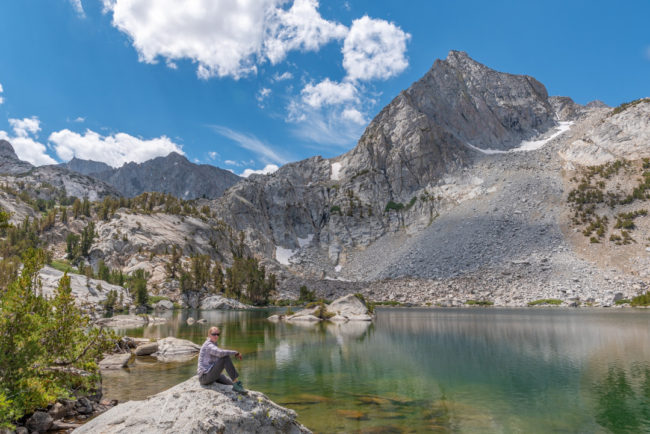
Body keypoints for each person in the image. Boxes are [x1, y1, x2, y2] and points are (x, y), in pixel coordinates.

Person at [197, 326, 245, 393]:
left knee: (231, 383)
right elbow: (220, 353)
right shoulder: (208, 345)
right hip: (204, 377)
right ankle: (236, 383)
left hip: (212, 374)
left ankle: (236, 384)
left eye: (218, 334)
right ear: (209, 335)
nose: (216, 336)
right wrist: (235, 353)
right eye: (214, 334)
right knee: (225, 357)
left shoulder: (214, 343)